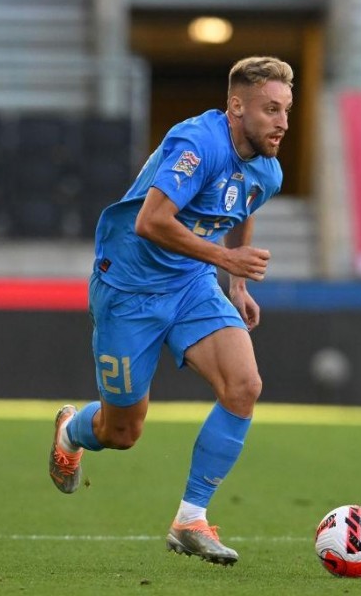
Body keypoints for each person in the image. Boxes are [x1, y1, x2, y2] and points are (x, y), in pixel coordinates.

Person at [48, 56, 294, 566]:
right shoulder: (196, 143)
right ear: (236, 105)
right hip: (128, 290)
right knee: (122, 433)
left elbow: (241, 208)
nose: (282, 123)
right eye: (271, 109)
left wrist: (237, 283)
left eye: (287, 111)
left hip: (190, 284)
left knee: (244, 384)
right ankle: (72, 429)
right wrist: (226, 257)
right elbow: (151, 221)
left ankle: (190, 519)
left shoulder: (267, 170)